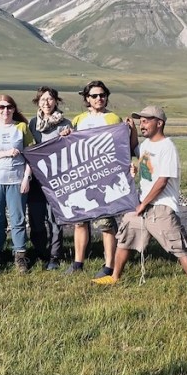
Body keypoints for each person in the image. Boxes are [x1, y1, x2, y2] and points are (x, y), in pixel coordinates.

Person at [93, 106, 187, 303]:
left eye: (146, 121)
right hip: (140, 203)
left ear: (159, 123)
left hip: (161, 207)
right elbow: (136, 151)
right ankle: (114, 277)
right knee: (125, 239)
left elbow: (162, 181)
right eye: (141, 121)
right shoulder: (146, 144)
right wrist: (132, 131)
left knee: (179, 247)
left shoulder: (167, 147)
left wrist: (143, 204)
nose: (142, 123)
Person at [61, 80, 136, 277]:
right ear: (87, 98)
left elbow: (123, 146)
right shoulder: (78, 120)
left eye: (102, 95)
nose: (99, 98)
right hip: (83, 176)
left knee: (106, 222)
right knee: (80, 220)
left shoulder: (113, 118)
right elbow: (71, 147)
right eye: (94, 95)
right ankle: (78, 262)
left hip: (104, 176)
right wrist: (67, 134)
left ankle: (109, 265)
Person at [0, 94, 35, 272]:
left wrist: (27, 177)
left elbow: (32, 155)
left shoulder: (21, 127)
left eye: (9, 107)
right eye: (1, 107)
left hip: (17, 180)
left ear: (14, 109)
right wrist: (6, 153)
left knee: (18, 219)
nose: (5, 110)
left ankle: (20, 254)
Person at [27, 86, 74, 270]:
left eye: (50, 99)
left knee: (55, 219)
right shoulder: (32, 124)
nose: (46, 102)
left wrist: (68, 137)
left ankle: (55, 256)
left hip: (57, 178)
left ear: (56, 101)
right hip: (37, 179)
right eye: (43, 99)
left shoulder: (66, 124)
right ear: (38, 102)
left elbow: (73, 151)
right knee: (36, 218)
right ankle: (40, 252)